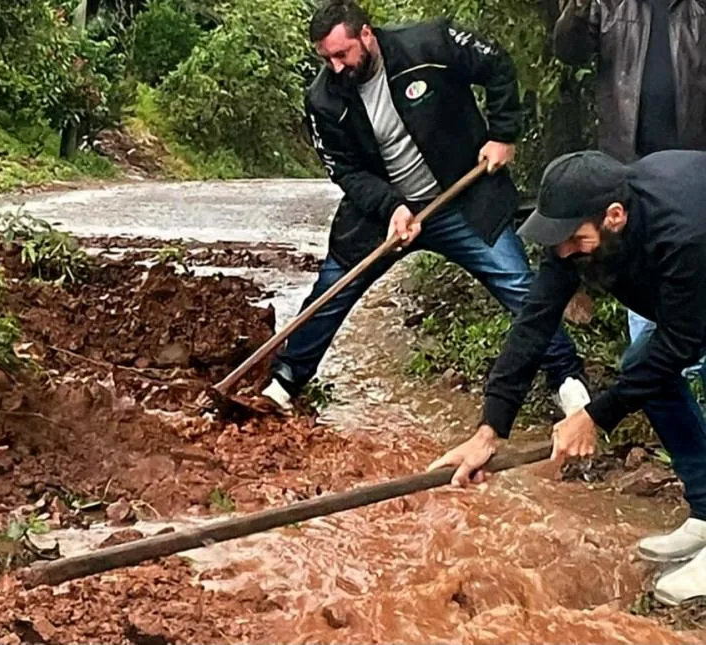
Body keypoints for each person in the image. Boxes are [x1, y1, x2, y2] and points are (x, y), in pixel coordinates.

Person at [260, 0, 590, 417]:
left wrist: (503, 133)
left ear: (366, 34)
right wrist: (392, 206)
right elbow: (345, 171)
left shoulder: (430, 44)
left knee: (519, 286)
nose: (337, 67)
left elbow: (497, 65)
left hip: (461, 200)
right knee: (332, 290)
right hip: (384, 216)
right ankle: (286, 380)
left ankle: (567, 378)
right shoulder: (323, 100)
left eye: (342, 54)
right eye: (327, 59)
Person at [430, 149, 706, 606]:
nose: (563, 252)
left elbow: (681, 344)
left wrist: (594, 416)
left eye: (575, 240)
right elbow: (534, 323)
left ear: (615, 217)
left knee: (656, 361)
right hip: (689, 297)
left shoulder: (685, 235)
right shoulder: (576, 236)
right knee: (642, 365)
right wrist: (490, 429)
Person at [552, 0, 706, 377]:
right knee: (639, 279)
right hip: (629, 166)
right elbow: (569, 51)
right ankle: (661, 379)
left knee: (692, 289)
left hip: (693, 169)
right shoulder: (606, 4)